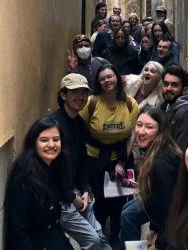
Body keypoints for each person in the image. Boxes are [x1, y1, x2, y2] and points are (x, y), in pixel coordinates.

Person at [49, 74, 112, 250]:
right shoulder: (52, 125)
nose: (81, 97)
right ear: (63, 95)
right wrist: (72, 197)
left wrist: (85, 189)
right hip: (61, 199)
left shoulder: (79, 123)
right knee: (93, 241)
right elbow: (51, 170)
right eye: (75, 92)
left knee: (100, 237)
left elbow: (82, 160)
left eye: (84, 92)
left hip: (79, 193)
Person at [79, 64, 139, 245]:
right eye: (103, 78)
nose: (107, 81)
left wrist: (122, 161)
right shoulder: (91, 103)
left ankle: (116, 237)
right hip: (95, 158)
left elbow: (132, 134)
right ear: (98, 81)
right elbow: (79, 131)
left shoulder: (129, 103)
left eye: (110, 76)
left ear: (117, 77)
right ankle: (98, 238)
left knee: (120, 200)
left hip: (121, 157)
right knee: (99, 200)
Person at [5, 117, 73, 250]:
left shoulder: (55, 167)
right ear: (33, 143)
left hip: (49, 237)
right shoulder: (24, 175)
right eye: (44, 140)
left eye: (56, 139)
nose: (51, 145)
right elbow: (18, 229)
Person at [120, 108, 182, 250]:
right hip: (160, 211)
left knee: (129, 216)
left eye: (149, 127)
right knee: (127, 212)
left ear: (160, 131)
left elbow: (171, 213)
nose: (141, 131)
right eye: (139, 125)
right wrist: (154, 227)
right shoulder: (155, 150)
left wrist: (158, 243)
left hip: (174, 229)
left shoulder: (161, 165)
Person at [159, 64, 188, 151]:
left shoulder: (187, 114)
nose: (168, 88)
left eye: (174, 85)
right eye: (166, 84)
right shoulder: (168, 105)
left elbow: (181, 152)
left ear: (184, 89)